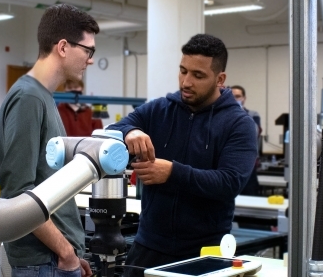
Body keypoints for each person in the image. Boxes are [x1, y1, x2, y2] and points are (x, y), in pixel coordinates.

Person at [107, 34, 258, 274]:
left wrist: (173, 172)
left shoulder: (239, 124)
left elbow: (230, 182)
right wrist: (130, 131)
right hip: (149, 246)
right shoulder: (159, 110)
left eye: (198, 75)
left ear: (220, 79)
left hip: (205, 252)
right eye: (183, 71)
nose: (186, 82)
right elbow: (111, 130)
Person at [0, 4, 97, 277]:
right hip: (44, 260)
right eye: (88, 51)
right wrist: (64, 251)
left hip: (54, 259)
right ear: (63, 47)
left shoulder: (42, 96)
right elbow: (19, 192)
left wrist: (71, 251)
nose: (90, 60)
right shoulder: (28, 98)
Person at [229, 85, 262, 196]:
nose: (235, 99)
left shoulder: (253, 115)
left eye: (238, 96)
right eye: (232, 97)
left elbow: (255, 132)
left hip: (248, 165)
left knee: (250, 194)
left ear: (244, 98)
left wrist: (239, 112)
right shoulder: (223, 115)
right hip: (228, 164)